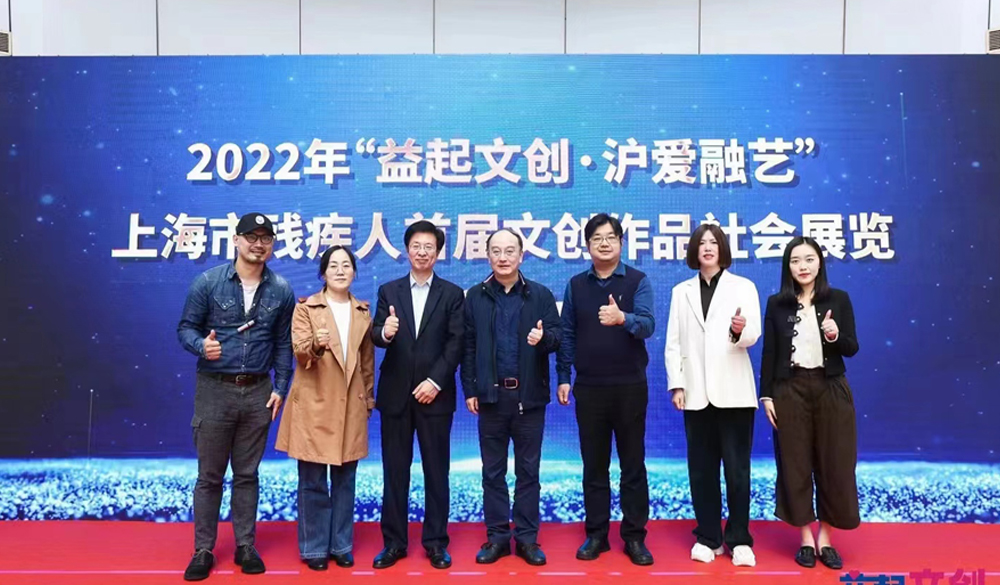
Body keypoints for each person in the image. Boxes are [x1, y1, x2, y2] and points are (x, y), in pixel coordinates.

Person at [176, 212, 295, 581]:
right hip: (215, 389)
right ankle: (203, 549)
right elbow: (185, 328)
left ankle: (245, 545)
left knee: (247, 474)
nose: (258, 244)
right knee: (209, 476)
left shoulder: (281, 290)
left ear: (272, 244)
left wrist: (280, 388)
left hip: (258, 391)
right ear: (237, 240)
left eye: (266, 238)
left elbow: (283, 344)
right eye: (251, 237)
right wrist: (201, 346)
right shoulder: (208, 282)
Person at [555, 213, 656, 566]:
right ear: (587, 245)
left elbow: (648, 325)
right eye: (597, 238)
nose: (604, 243)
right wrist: (563, 376)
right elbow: (567, 333)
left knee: (633, 465)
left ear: (621, 242)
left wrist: (622, 318)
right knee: (594, 466)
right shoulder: (575, 285)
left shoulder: (638, 281)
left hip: (629, 387)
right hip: (589, 388)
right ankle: (596, 534)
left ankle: (634, 537)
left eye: (610, 237)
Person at [461, 228, 561, 567]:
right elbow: (468, 347)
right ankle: (497, 538)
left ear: (521, 255)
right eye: (496, 251)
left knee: (528, 472)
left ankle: (527, 539)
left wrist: (544, 338)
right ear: (487, 255)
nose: (503, 257)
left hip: (528, 397)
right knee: (493, 473)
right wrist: (470, 389)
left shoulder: (540, 295)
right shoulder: (475, 296)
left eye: (509, 251)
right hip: (491, 398)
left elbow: (558, 338)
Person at [759, 236, 860, 570]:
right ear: (787, 266)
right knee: (795, 463)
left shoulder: (839, 299)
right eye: (795, 261)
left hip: (831, 387)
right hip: (790, 389)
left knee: (835, 464)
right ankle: (805, 539)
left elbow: (851, 348)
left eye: (809, 259)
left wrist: (834, 334)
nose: (802, 266)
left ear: (820, 263)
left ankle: (825, 540)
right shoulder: (777, 304)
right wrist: (767, 395)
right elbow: (770, 353)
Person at [664, 224, 762, 567]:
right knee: (702, 470)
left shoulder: (743, 286)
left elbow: (753, 333)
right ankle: (708, 537)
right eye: (702, 243)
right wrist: (677, 384)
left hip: (734, 392)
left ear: (723, 249)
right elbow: (673, 342)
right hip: (695, 392)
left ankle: (740, 539)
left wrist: (739, 331)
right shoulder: (681, 291)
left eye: (714, 242)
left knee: (737, 470)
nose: (707, 247)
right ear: (694, 250)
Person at [369, 220, 464, 570]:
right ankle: (393, 543)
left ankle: (436, 543)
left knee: (437, 472)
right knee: (395, 472)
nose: (422, 252)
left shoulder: (452, 294)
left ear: (437, 253)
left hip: (435, 396)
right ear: (406, 250)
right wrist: (386, 331)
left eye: (429, 247)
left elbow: (456, 342)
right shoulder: (389, 291)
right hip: (396, 395)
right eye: (416, 246)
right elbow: (376, 334)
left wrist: (435, 381)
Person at [275, 246, 375, 571]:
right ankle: (314, 547)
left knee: (346, 481)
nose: (340, 270)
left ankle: (341, 545)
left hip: (351, 406)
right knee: (313, 481)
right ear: (323, 273)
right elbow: (300, 353)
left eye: (346, 265)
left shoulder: (362, 312)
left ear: (354, 272)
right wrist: (316, 344)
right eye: (333, 265)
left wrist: (368, 400)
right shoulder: (306, 309)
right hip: (314, 405)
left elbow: (367, 363)